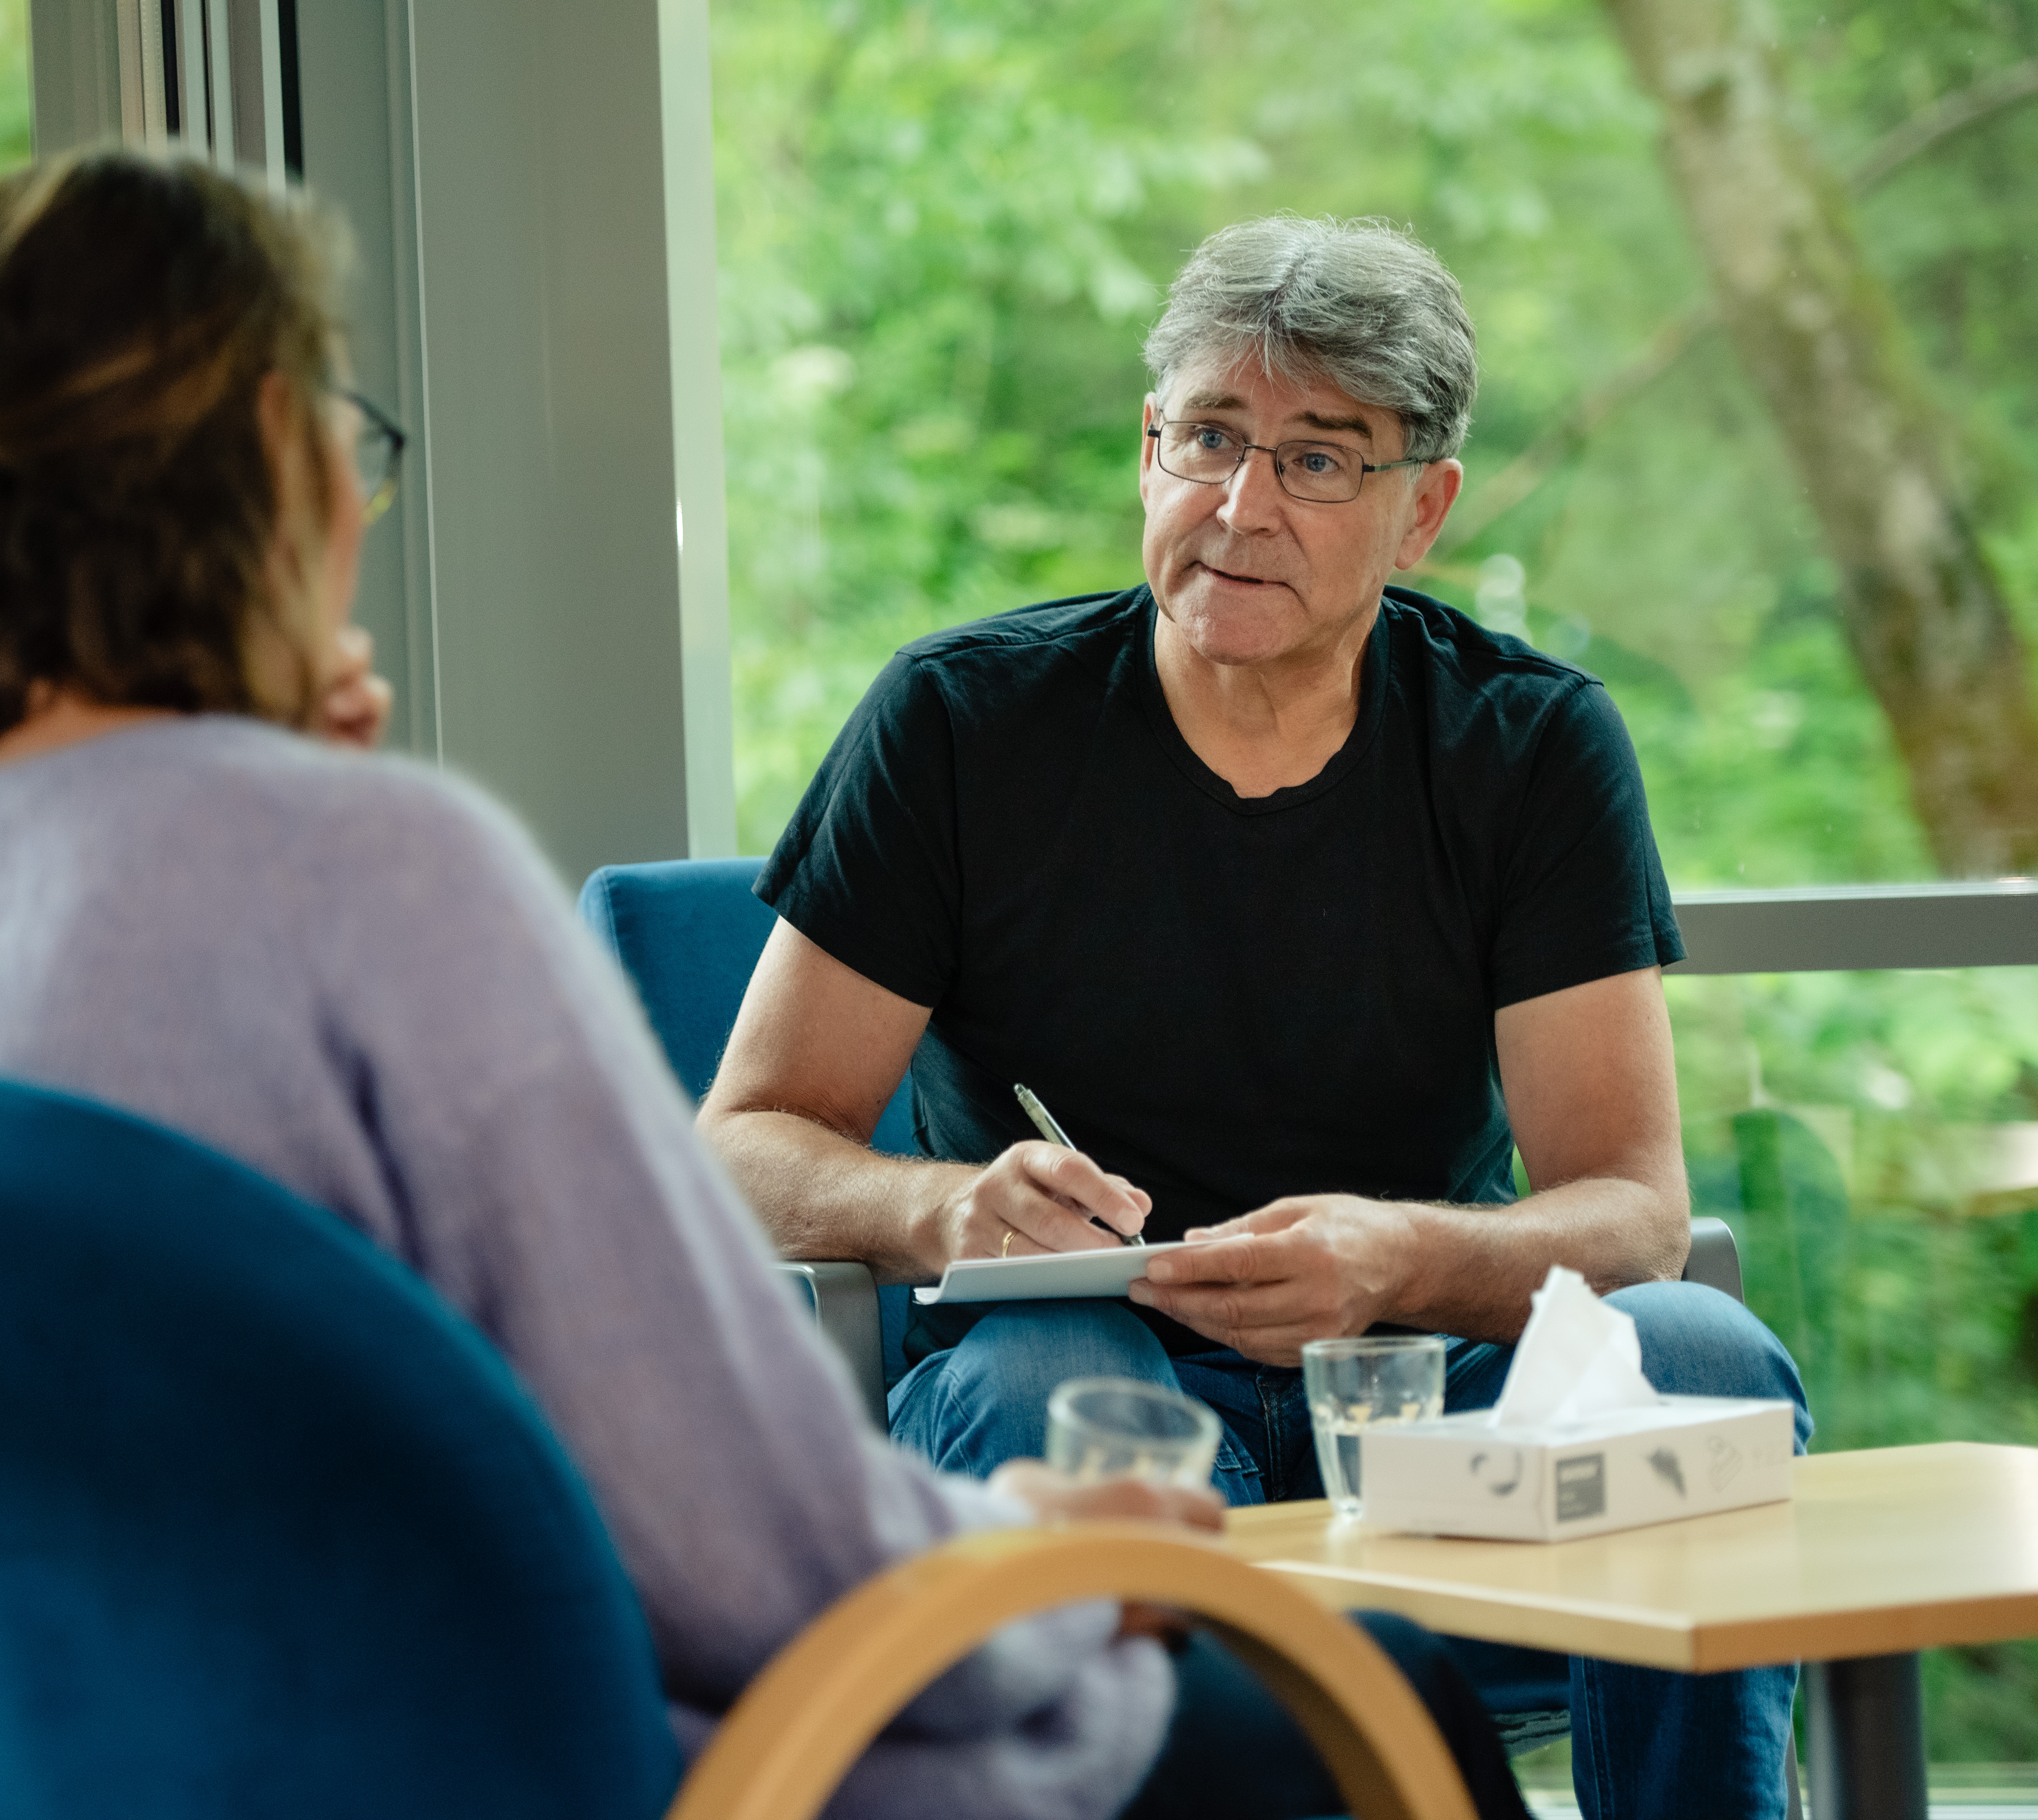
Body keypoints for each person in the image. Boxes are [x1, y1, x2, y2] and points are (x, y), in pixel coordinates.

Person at [0, 156, 1535, 1818]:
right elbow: (740, 1538)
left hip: (42, 1762)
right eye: (344, 436)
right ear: (273, 449)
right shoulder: (377, 875)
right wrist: (1037, 1543)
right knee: (1356, 1701)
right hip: (509, 1755)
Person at [698, 213, 1811, 1820]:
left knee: (1704, 1353)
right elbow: (744, 1141)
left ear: (1422, 509)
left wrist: (1398, 1261)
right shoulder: (958, 722)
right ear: (1147, 449)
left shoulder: (1531, 746)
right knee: (1049, 1398)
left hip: (1430, 1388)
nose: (1242, 506)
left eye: (1320, 459)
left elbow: (1633, 1212)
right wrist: (943, 1205)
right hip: (1085, 1365)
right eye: (1209, 436)